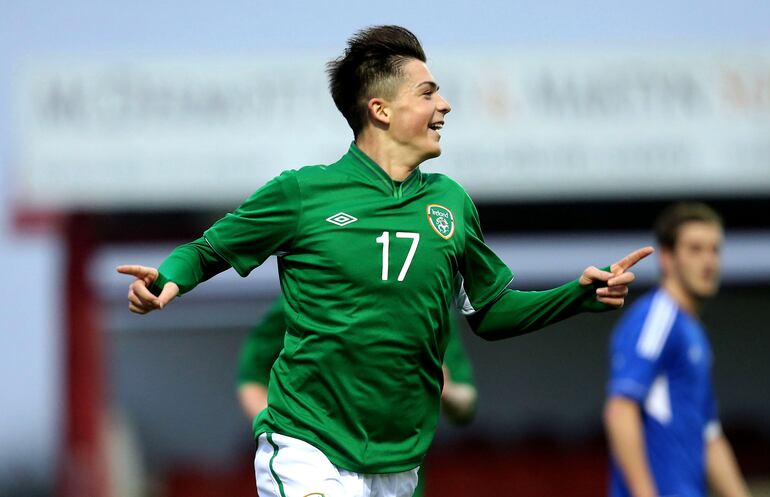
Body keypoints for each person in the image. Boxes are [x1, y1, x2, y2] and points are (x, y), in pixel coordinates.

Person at [118, 25, 651, 497]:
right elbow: (209, 250)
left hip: (399, 463)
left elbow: (488, 312)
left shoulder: (451, 202)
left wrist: (576, 296)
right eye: (428, 92)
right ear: (381, 109)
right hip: (307, 446)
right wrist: (166, 280)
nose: (444, 105)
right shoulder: (304, 192)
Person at [236, 296, 478, 497]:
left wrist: (446, 390)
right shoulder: (315, 290)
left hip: (395, 475)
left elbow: (465, 405)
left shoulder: (432, 305)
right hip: (317, 461)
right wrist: (290, 431)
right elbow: (251, 378)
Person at [604, 202, 751, 497]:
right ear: (667, 258)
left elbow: (710, 436)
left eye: (715, 250)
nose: (709, 262)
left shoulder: (694, 332)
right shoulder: (657, 317)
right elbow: (620, 409)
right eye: (695, 249)